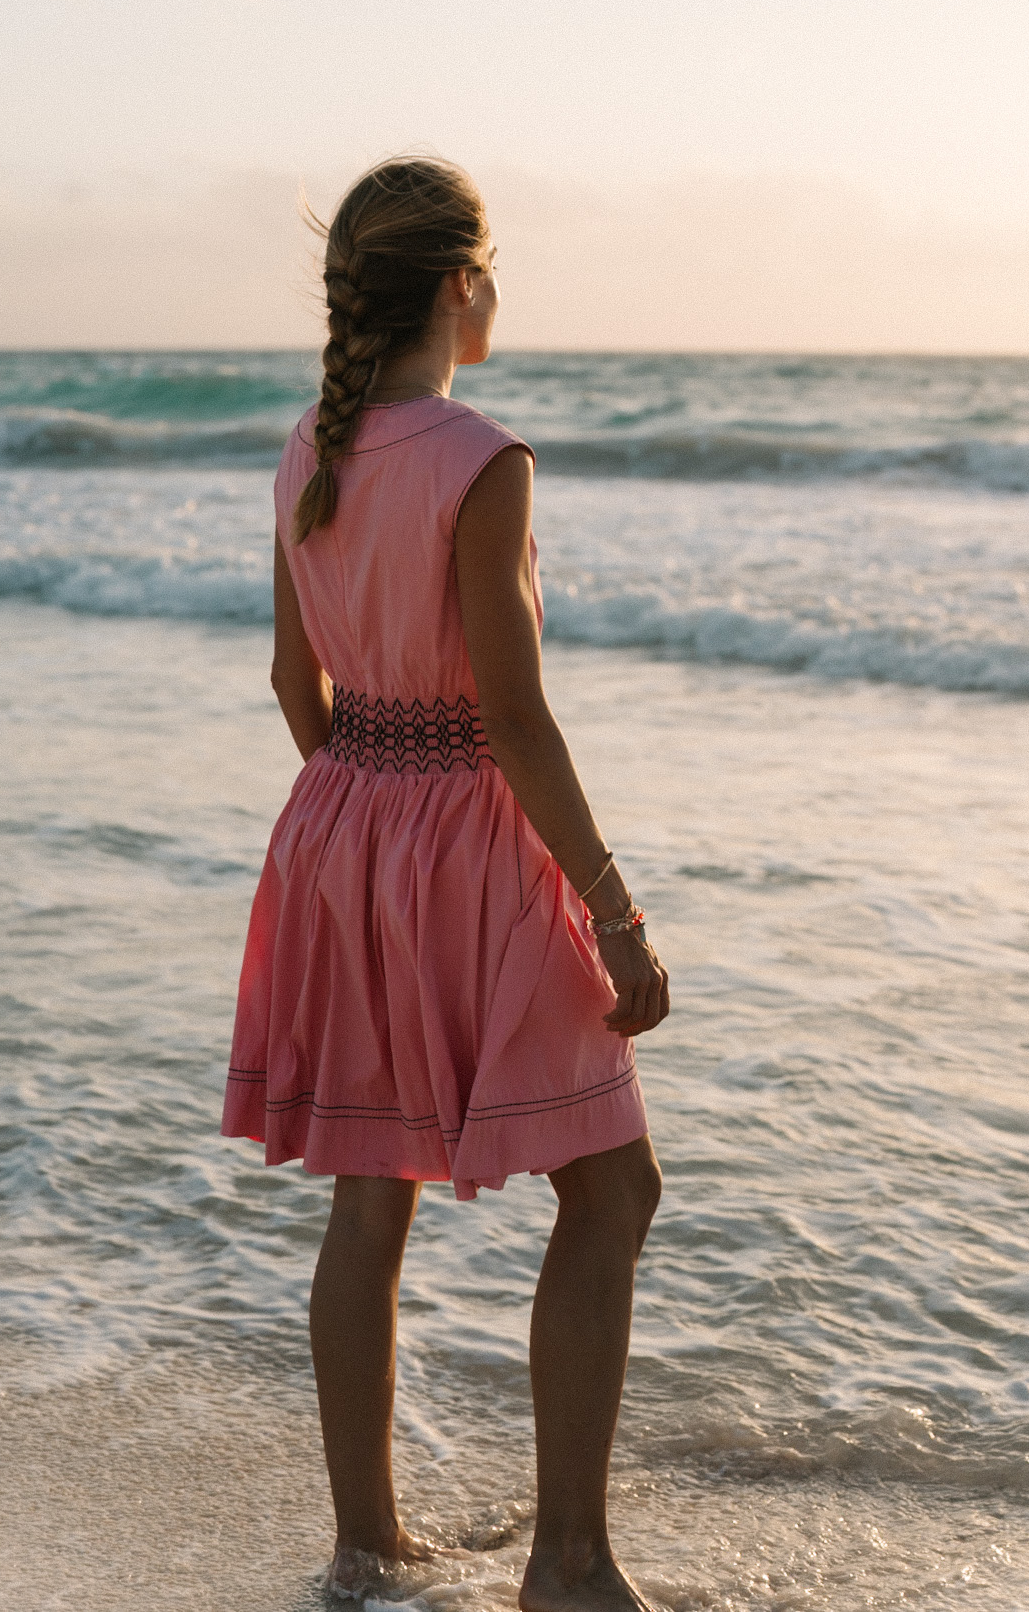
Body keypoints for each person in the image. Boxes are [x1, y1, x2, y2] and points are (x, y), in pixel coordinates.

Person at [221, 157, 670, 1611]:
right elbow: (519, 718)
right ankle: (570, 1563)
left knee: (371, 1202)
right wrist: (612, 908)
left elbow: (300, 683)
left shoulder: (312, 446)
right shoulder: (485, 459)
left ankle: (366, 1548)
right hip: (472, 837)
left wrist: (361, 809)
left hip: (339, 826)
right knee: (612, 1187)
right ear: (461, 283)